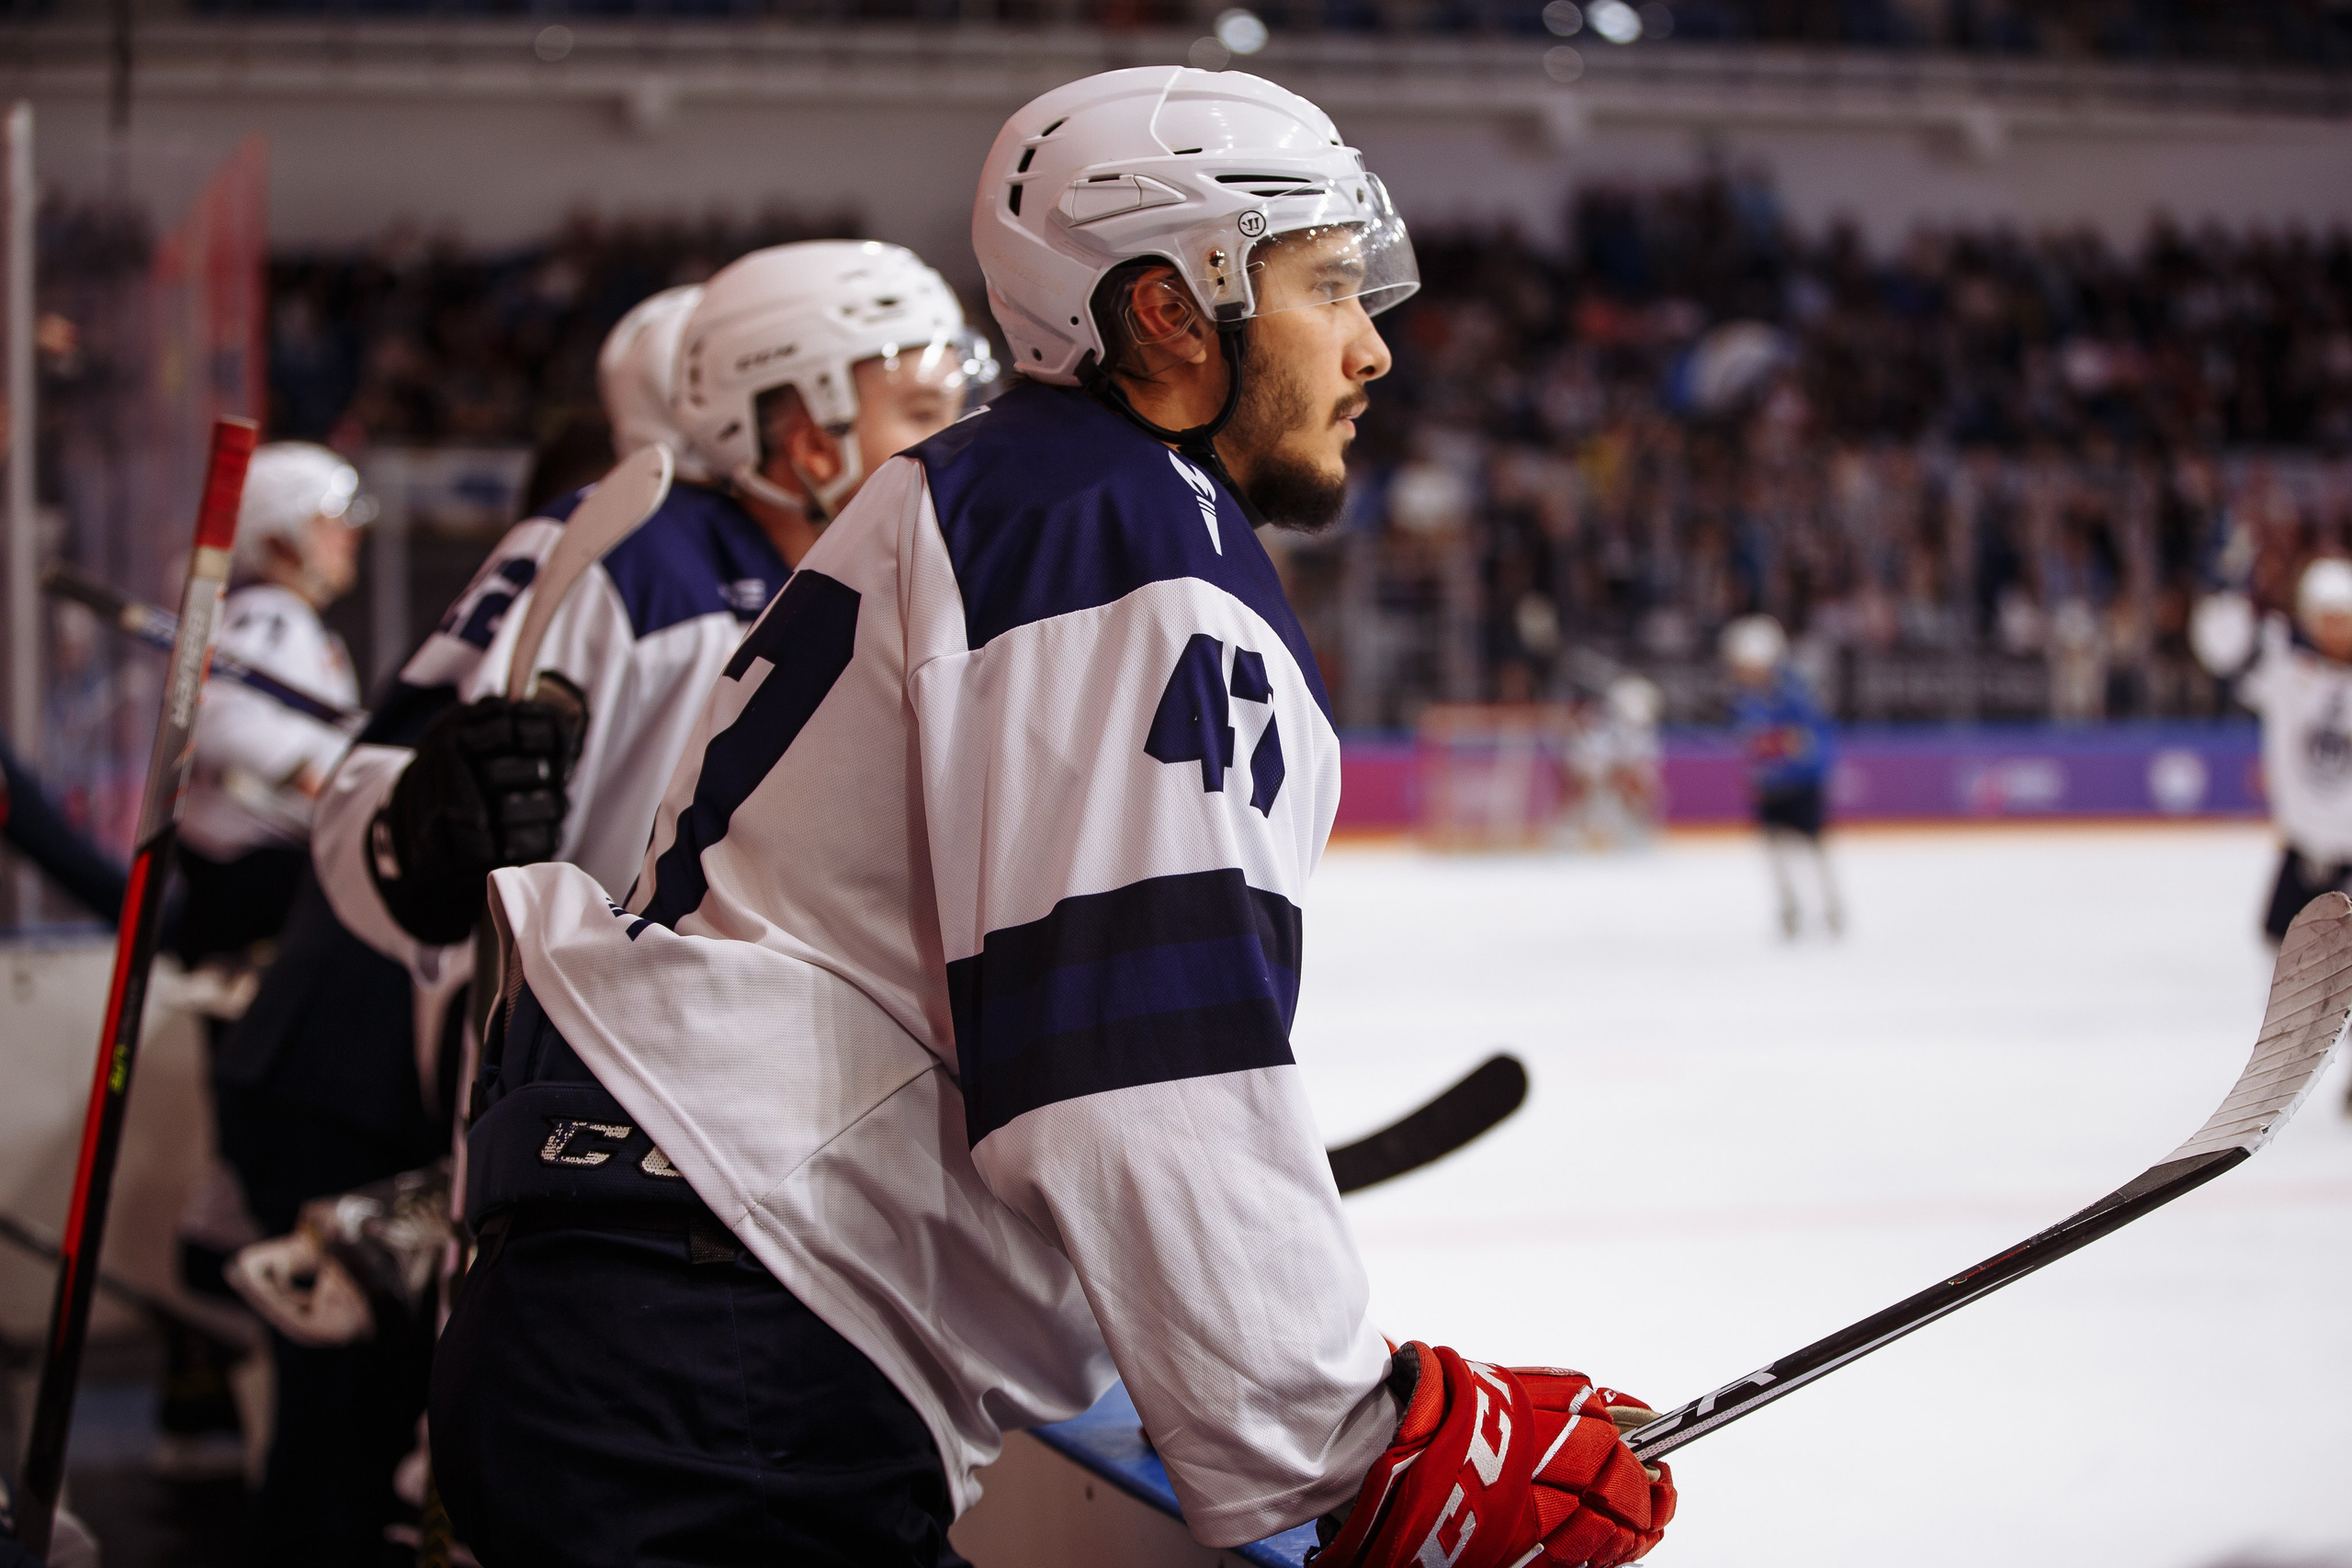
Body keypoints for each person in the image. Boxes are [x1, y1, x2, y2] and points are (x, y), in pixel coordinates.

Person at [430, 66, 1676, 1568]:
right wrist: (1353, 1451)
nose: (1370, 348)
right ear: (1169, 309)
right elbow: (1130, 1047)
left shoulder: (984, 490)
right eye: (1329, 288)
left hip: (655, 1311)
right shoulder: (1125, 530)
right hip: (729, 1358)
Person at [2192, 558, 2352, 946]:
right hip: (2301, 853)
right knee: (2276, 954)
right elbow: (2224, 650)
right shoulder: (2285, 669)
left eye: (2342, 617)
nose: (2335, 627)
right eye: (2326, 616)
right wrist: (2224, 596)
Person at [1724, 613, 1842, 939]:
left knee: (1814, 847)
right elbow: (1748, 740)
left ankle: (1830, 905)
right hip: (1770, 787)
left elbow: (1809, 741)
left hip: (1801, 786)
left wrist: (1779, 747)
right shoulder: (1745, 699)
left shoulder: (1796, 695)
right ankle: (1790, 906)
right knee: (1775, 850)